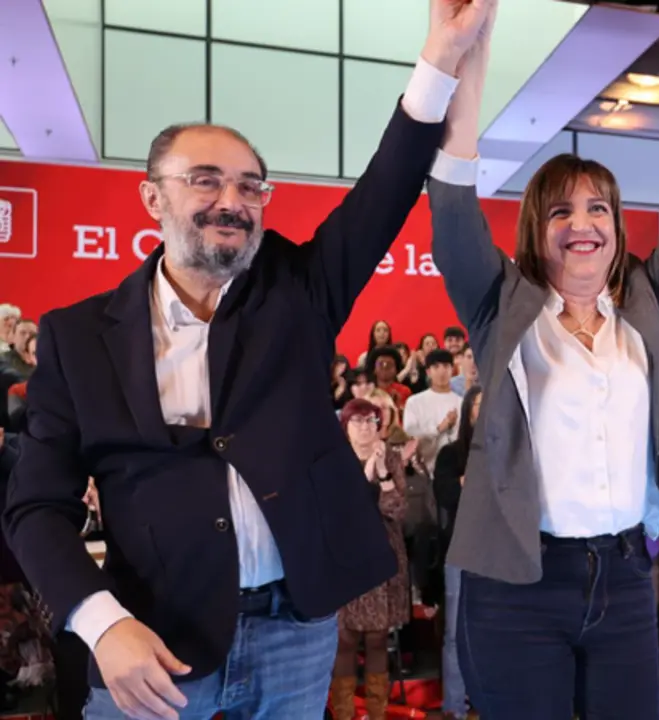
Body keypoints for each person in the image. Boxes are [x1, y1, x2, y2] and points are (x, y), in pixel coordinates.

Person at [0, 3, 493, 718]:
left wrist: (440, 56)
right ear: (151, 198)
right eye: (205, 180)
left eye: (250, 185)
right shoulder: (80, 339)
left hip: (295, 631)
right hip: (150, 643)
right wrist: (101, 624)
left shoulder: (297, 292)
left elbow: (386, 188)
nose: (232, 201)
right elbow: (35, 507)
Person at [425, 2, 659, 715]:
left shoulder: (644, 303)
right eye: (561, 211)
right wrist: (466, 57)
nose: (583, 224)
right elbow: (453, 200)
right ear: (537, 229)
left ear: (618, 229)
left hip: (624, 578)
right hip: (518, 587)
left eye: (599, 209)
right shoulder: (501, 304)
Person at [329, 399, 410, 720]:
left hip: (383, 554)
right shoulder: (335, 461)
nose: (364, 427)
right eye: (357, 421)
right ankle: (344, 713)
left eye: (370, 420)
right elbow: (343, 512)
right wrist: (365, 474)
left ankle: (378, 713)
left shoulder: (390, 458)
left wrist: (383, 474)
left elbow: (398, 511)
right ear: (345, 427)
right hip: (345, 557)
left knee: (377, 639)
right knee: (345, 639)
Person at [430, 384, 482, 720]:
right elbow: (447, 494)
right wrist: (469, 482)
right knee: (455, 634)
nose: (485, 411)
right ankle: (454, 707)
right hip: (461, 550)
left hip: (500, 552)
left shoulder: (510, 450)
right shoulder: (451, 453)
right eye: (478, 405)